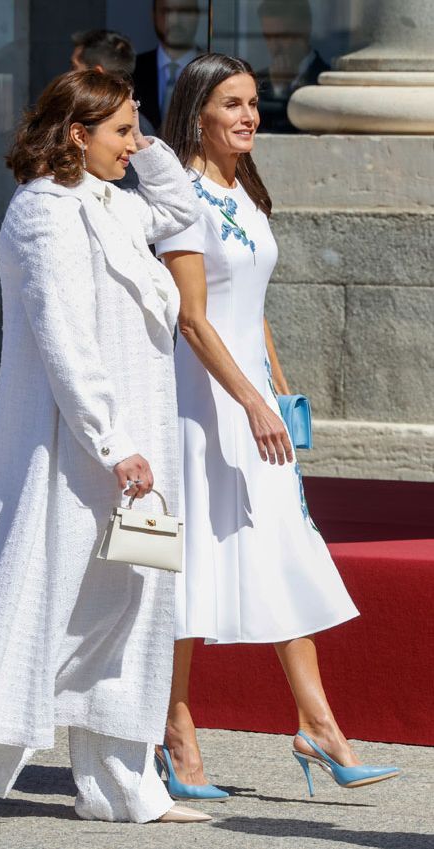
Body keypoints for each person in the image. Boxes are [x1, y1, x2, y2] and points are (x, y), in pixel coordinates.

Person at [0, 69, 210, 825]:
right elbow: (64, 339)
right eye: (120, 133)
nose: (133, 146)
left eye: (136, 130)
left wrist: (144, 135)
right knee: (47, 598)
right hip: (72, 449)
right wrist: (112, 441)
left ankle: (118, 783)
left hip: (133, 443)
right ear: (77, 135)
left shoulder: (112, 201)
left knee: (128, 604)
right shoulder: (44, 212)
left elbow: (181, 209)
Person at [154, 53, 400, 800]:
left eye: (254, 101)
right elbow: (192, 321)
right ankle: (175, 729)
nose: (248, 115)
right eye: (231, 103)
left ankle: (318, 724)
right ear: (196, 111)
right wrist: (250, 401)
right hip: (200, 404)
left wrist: (279, 387)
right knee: (193, 564)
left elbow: (249, 305)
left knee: (285, 549)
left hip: (256, 401)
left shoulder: (243, 188)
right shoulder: (184, 197)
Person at [70, 29, 154, 188]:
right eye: (122, 131)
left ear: (96, 74)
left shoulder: (141, 129)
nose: (130, 145)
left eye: (74, 67)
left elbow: (131, 192)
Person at [256, 0, 329, 133]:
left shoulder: (326, 79)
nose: (274, 46)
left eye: (282, 36)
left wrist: (280, 91)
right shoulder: (258, 81)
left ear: (304, 30)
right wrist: (278, 89)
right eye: (268, 37)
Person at [133, 0, 202, 133]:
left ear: (197, 15)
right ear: (154, 15)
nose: (174, 20)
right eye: (167, 11)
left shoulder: (215, 72)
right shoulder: (132, 70)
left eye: (184, 11)